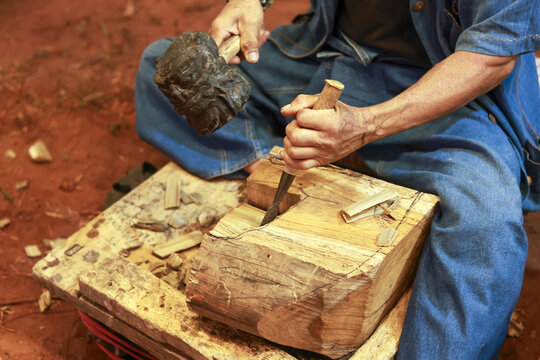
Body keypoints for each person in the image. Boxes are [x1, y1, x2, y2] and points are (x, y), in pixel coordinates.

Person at [135, 0, 540, 358]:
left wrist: (364, 126)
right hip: (329, 53)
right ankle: (272, 160)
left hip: (443, 89)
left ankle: (350, 150)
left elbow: (490, 56)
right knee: (165, 69)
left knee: (485, 222)